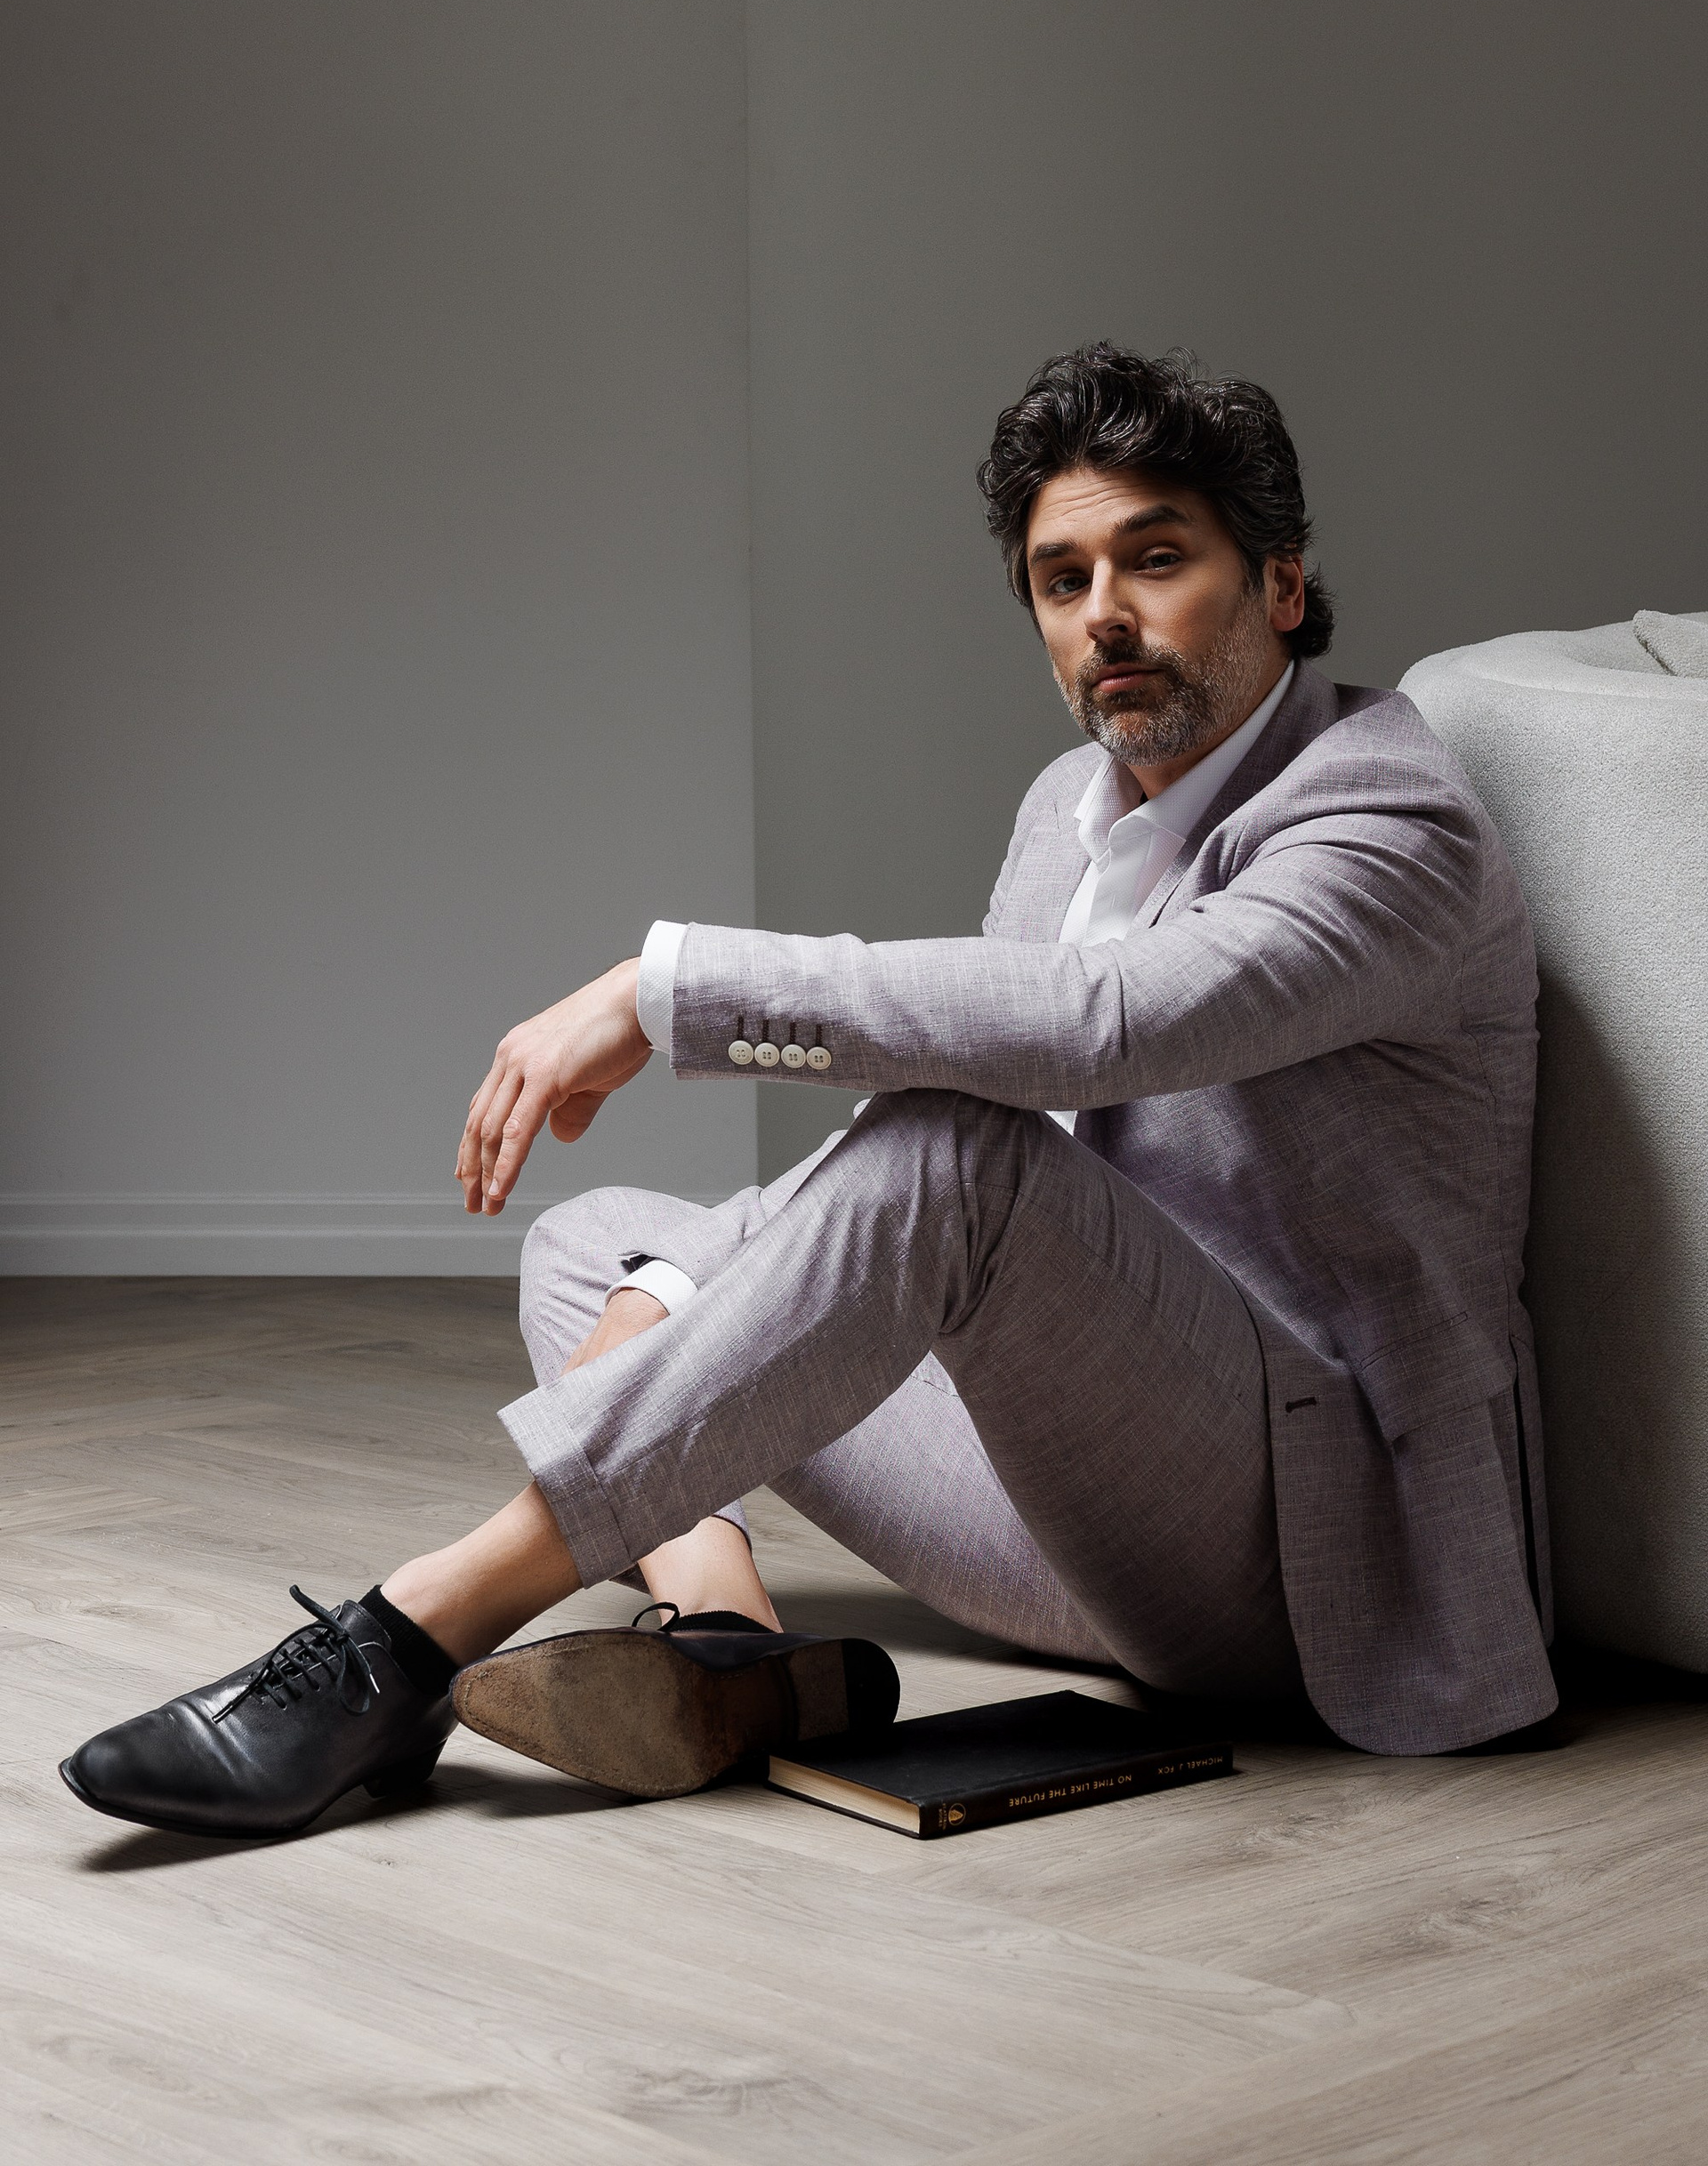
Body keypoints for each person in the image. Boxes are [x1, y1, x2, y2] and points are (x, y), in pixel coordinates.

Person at [60, 344, 1555, 1840]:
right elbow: (957, 1121)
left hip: (1304, 1543)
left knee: (948, 1154)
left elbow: (1102, 1029)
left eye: (1156, 560)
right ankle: (734, 1650)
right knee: (599, 1251)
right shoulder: (1070, 811)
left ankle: (410, 1635)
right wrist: (681, 1283)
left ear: (1281, 586)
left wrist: (665, 990)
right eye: (1061, 579)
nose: (1105, 612)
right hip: (1063, 1499)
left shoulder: (1384, 817)